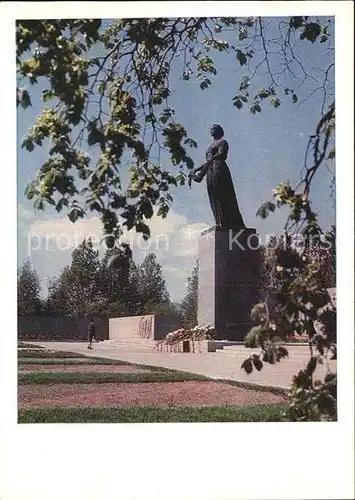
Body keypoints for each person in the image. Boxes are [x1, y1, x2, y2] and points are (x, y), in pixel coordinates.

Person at [189, 124, 246, 228]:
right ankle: (219, 221)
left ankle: (228, 222)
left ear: (219, 131)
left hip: (219, 169)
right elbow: (208, 161)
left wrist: (203, 167)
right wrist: (196, 169)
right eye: (210, 128)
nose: (211, 130)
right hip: (210, 171)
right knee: (213, 197)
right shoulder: (210, 146)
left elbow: (221, 154)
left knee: (222, 195)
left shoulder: (223, 142)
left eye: (214, 128)